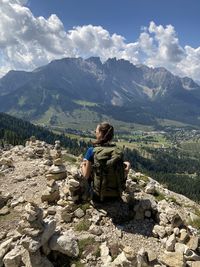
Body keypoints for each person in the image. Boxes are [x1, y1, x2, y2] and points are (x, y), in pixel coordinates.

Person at [80, 122, 130, 201]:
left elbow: (86, 176)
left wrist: (83, 165)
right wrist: (128, 166)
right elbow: (122, 174)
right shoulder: (117, 151)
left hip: (97, 196)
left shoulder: (92, 150)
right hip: (116, 196)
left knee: (85, 168)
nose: (95, 132)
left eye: (96, 131)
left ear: (100, 133)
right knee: (127, 164)